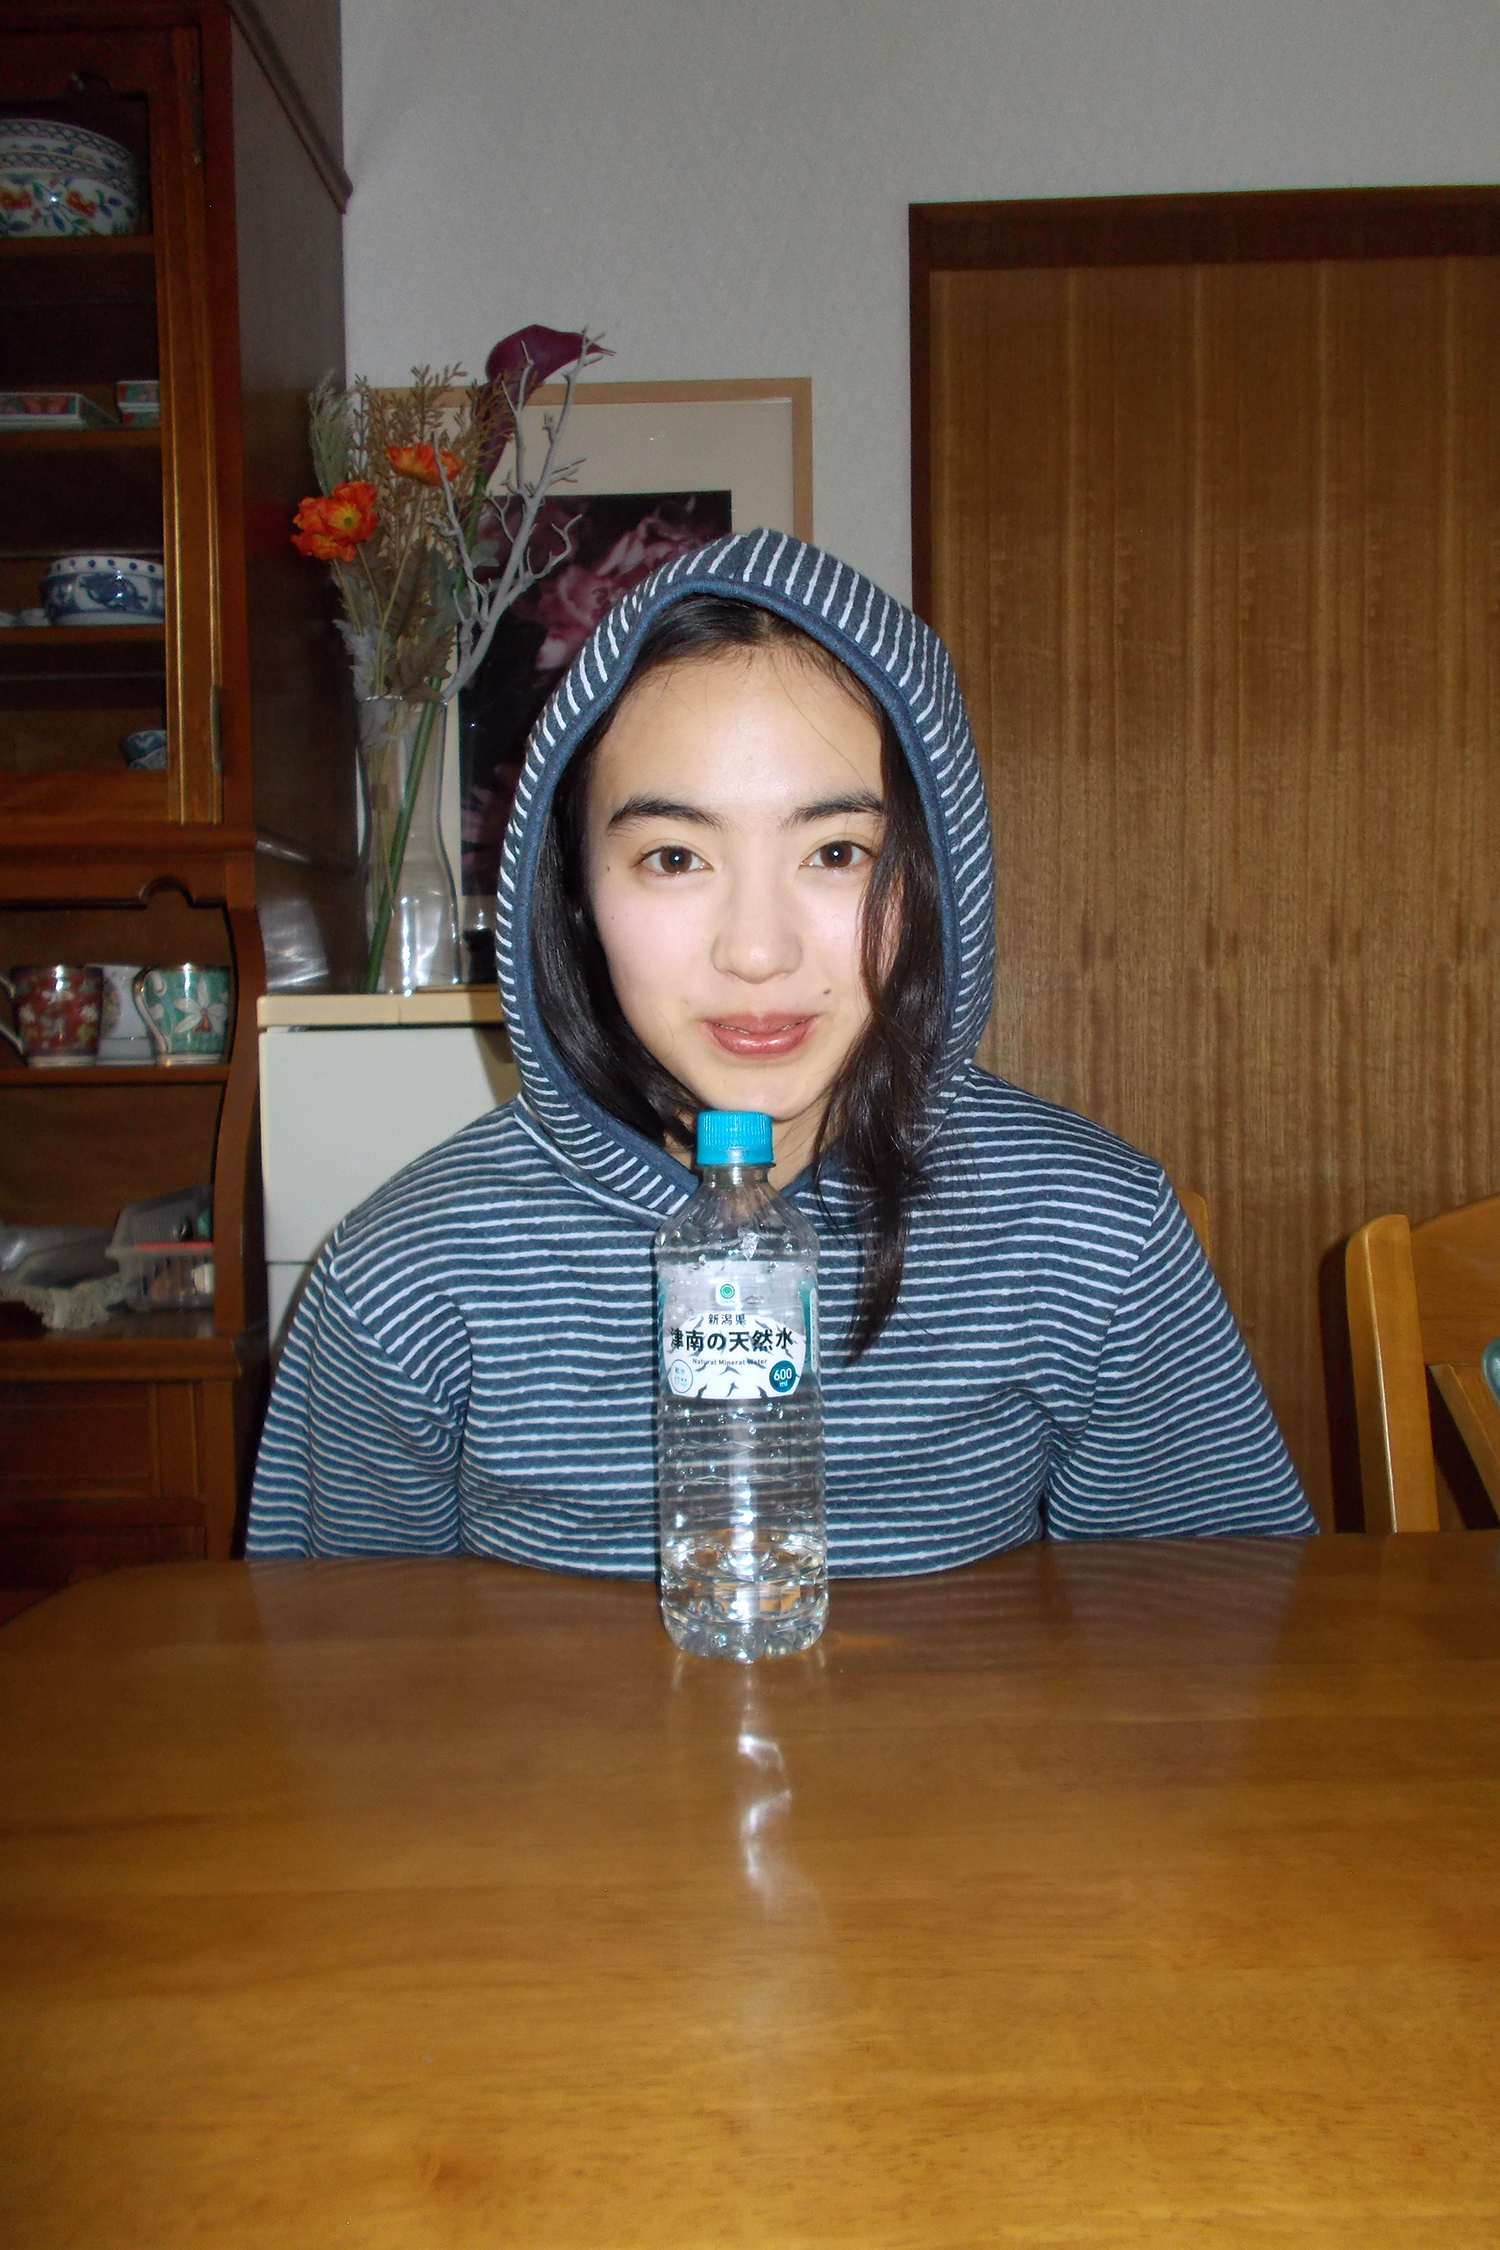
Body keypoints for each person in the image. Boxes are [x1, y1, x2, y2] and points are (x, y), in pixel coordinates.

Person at [248, 531, 1314, 1567]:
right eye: (675, 857)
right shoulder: (403, 1277)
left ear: (937, 874)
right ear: (572, 893)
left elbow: (1218, 1624)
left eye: (838, 852)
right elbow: (332, 1665)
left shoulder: (1096, 1235)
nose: (757, 952)